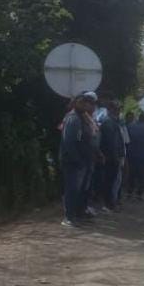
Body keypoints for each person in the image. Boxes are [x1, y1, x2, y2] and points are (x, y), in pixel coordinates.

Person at [58, 92, 97, 227]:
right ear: (75, 103)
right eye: (82, 102)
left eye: (86, 102)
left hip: (82, 161)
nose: (85, 105)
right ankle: (68, 217)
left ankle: (77, 215)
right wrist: (77, 159)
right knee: (72, 190)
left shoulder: (82, 118)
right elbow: (69, 142)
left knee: (79, 190)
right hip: (72, 162)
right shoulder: (72, 118)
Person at [125, 112, 144, 202]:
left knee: (131, 174)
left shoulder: (130, 127)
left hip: (131, 154)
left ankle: (129, 192)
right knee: (142, 175)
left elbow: (126, 140)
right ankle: (139, 194)